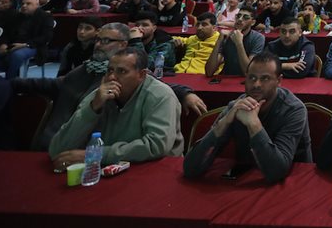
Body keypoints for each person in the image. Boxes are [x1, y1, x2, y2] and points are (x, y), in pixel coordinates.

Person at [12, 23, 205, 151]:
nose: (98, 45)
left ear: (122, 44)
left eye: (105, 41)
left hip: (109, 155)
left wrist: (184, 92)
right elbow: (57, 85)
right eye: (97, 39)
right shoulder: (87, 75)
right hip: (73, 147)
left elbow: (154, 84)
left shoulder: (149, 87)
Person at [183, 52, 311, 183]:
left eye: (265, 78)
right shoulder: (236, 108)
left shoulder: (294, 110)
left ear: (279, 81)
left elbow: (277, 172)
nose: (256, 84)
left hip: (294, 183)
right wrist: (223, 124)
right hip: (247, 177)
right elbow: (190, 169)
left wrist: (254, 125)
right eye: (252, 78)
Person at [49, 48, 184, 168]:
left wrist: (96, 155)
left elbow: (156, 146)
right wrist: (92, 109)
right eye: (110, 70)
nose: (112, 77)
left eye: (122, 71)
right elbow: (57, 150)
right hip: (107, 170)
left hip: (154, 171)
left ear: (141, 75)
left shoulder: (160, 95)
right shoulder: (99, 95)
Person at [0, 0, 54, 78]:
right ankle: (6, 74)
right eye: (23, 4)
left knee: (17, 55)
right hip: (13, 44)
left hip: (33, 45)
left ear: (37, 5)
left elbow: (46, 37)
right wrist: (4, 44)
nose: (24, 6)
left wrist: (25, 44)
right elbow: (6, 32)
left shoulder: (45, 17)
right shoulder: (17, 16)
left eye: (28, 4)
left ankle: (11, 81)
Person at [206, 4, 266, 76]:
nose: (240, 19)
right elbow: (209, 72)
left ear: (252, 22)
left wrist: (239, 43)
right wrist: (219, 41)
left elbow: (248, 73)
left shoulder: (258, 38)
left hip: (245, 82)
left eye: (245, 17)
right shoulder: (227, 37)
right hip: (227, 79)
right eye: (238, 16)